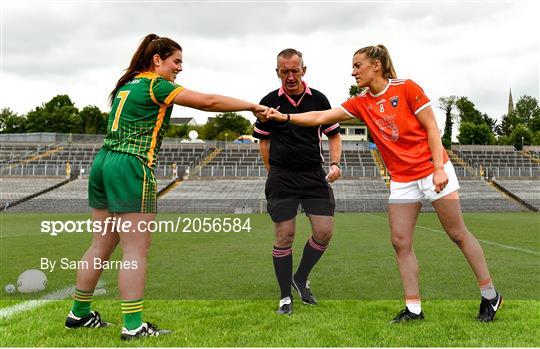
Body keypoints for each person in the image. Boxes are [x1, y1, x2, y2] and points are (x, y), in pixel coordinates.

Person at [264, 45, 502, 323]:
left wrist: (438, 168)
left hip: (433, 170)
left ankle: (490, 295)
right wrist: (285, 117)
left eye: (357, 66)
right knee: (400, 242)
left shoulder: (407, 88)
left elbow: (432, 129)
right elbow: (320, 117)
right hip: (402, 180)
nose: (353, 72)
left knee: (457, 233)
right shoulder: (361, 102)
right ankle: (414, 309)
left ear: (375, 65)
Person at [65, 34, 268, 340]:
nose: (180, 68)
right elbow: (208, 102)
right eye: (177, 61)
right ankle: (133, 326)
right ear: (157, 60)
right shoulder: (155, 84)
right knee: (136, 248)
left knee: (100, 244)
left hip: (103, 161)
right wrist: (252, 105)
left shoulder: (127, 84)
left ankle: (78, 314)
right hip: (131, 165)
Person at [253, 48, 342, 315]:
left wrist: (335, 163)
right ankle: (284, 297)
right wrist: (273, 171)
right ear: (277, 71)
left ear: (304, 69)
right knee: (285, 235)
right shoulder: (269, 102)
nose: (290, 76)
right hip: (282, 176)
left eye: (295, 70)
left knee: (324, 231)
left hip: (313, 173)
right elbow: (264, 140)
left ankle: (300, 277)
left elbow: (334, 135)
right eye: (284, 71)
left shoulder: (319, 99)